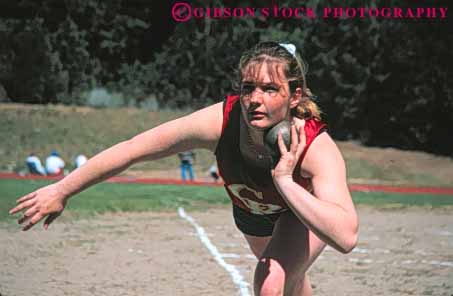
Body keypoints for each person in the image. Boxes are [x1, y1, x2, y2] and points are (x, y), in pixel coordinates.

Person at [9, 41, 358, 295]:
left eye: (271, 89)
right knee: (290, 284)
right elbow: (134, 149)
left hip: (299, 212)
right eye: (249, 87)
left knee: (269, 285)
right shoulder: (220, 122)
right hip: (251, 213)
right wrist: (61, 189)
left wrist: (284, 179)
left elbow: (345, 236)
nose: (255, 99)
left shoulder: (314, 147)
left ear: (295, 96)